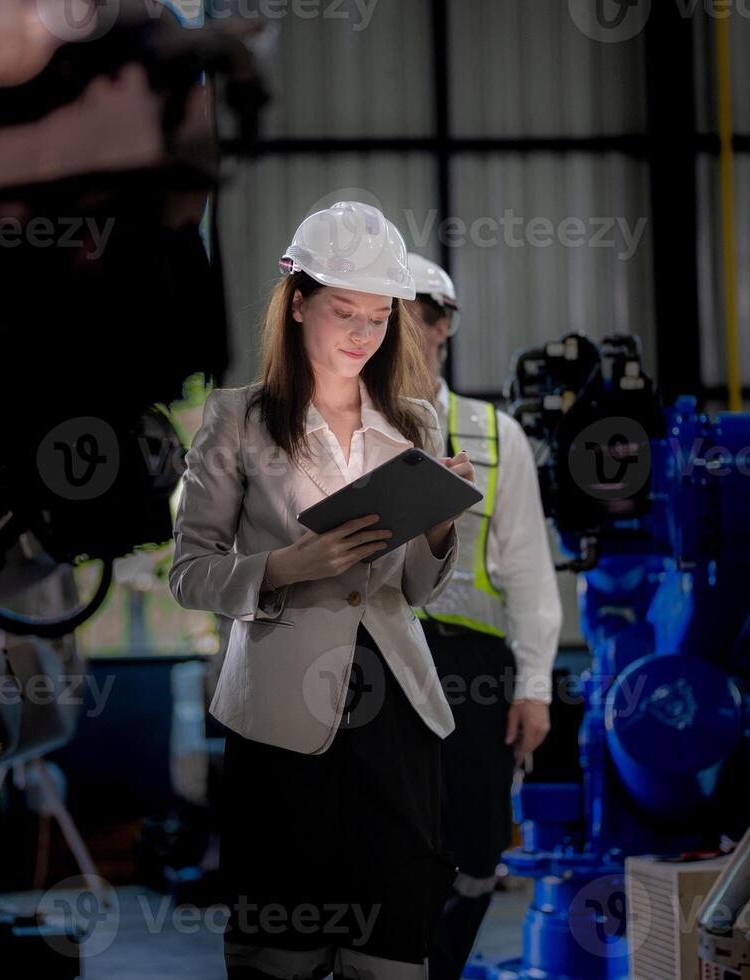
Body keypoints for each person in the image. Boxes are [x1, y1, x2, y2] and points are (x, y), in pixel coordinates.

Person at [169, 201, 475, 980]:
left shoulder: (414, 423)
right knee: (281, 949)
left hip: (396, 717)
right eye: (345, 310)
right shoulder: (237, 419)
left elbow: (416, 589)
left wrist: (441, 526)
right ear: (297, 299)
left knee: (392, 950)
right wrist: (282, 568)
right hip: (280, 722)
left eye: (379, 315)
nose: (362, 333)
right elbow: (190, 570)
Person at [403, 253, 562, 980]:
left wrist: (534, 686)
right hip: (370, 659)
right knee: (387, 842)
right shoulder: (337, 430)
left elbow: (529, 572)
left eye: (405, 315)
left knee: (476, 845)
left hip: (470, 669)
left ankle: (435, 966)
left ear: (441, 324)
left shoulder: (496, 437)